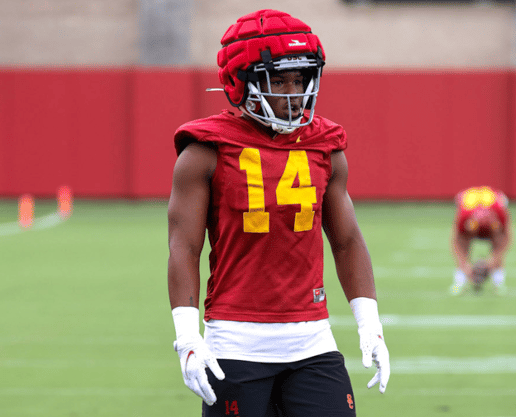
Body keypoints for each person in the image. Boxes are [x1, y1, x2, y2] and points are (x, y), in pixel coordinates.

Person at [167, 9, 390, 416]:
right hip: (236, 343)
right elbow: (184, 247)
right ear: (242, 82)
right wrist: (187, 338)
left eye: (300, 79)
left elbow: (346, 241)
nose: (293, 93)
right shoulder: (205, 150)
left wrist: (369, 324)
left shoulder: (325, 144)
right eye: (278, 81)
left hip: (312, 340)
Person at [450, 185, 512, 295]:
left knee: (498, 239)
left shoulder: (500, 213)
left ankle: (498, 284)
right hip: (470, 209)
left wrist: (494, 260)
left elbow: (507, 237)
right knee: (464, 242)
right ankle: (458, 284)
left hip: (494, 211)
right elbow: (456, 241)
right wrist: (464, 265)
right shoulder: (464, 214)